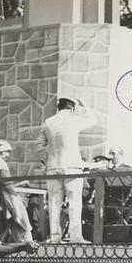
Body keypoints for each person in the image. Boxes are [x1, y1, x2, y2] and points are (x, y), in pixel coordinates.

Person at [37, 97, 95, 244]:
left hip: (53, 167)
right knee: (74, 202)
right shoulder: (74, 120)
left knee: (54, 203)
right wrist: (85, 105)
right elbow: (92, 120)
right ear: (72, 109)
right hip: (72, 166)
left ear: (58, 108)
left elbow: (40, 146)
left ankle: (55, 237)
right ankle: (75, 237)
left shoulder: (48, 122)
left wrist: (47, 162)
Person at [0, 139, 34, 242]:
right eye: (7, 152)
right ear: (2, 151)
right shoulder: (1, 164)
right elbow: (7, 185)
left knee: (17, 205)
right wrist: (16, 193)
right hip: (0, 200)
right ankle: (24, 237)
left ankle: (16, 236)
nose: (8, 155)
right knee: (20, 205)